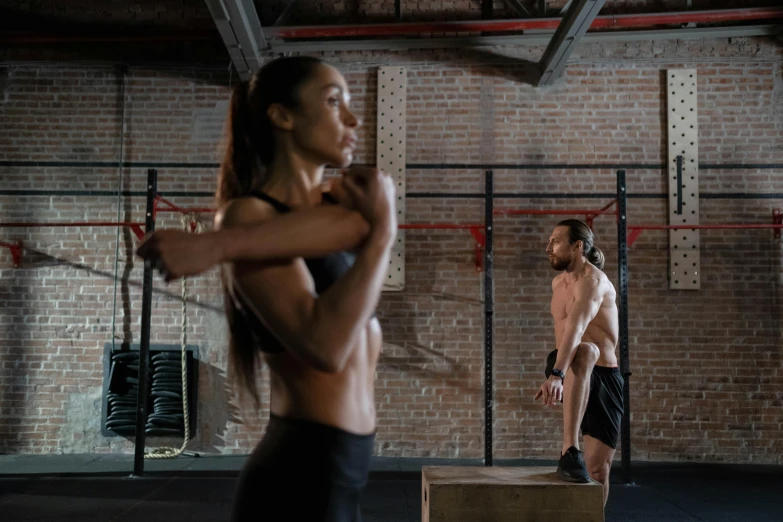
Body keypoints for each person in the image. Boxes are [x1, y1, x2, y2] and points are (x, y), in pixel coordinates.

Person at [137, 56, 396, 522]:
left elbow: (355, 221)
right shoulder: (248, 215)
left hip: (343, 472)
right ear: (283, 116)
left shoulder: (333, 209)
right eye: (334, 102)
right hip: (301, 475)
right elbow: (324, 346)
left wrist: (217, 247)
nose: (353, 120)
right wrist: (382, 236)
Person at [535, 219, 624, 506]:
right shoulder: (557, 283)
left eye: (555, 242)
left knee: (598, 469)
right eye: (549, 241)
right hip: (568, 364)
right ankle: (569, 449)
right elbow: (564, 336)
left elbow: (575, 327)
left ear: (577, 246)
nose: (548, 247)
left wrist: (557, 376)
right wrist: (557, 372)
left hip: (603, 376)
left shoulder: (593, 282)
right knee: (583, 351)